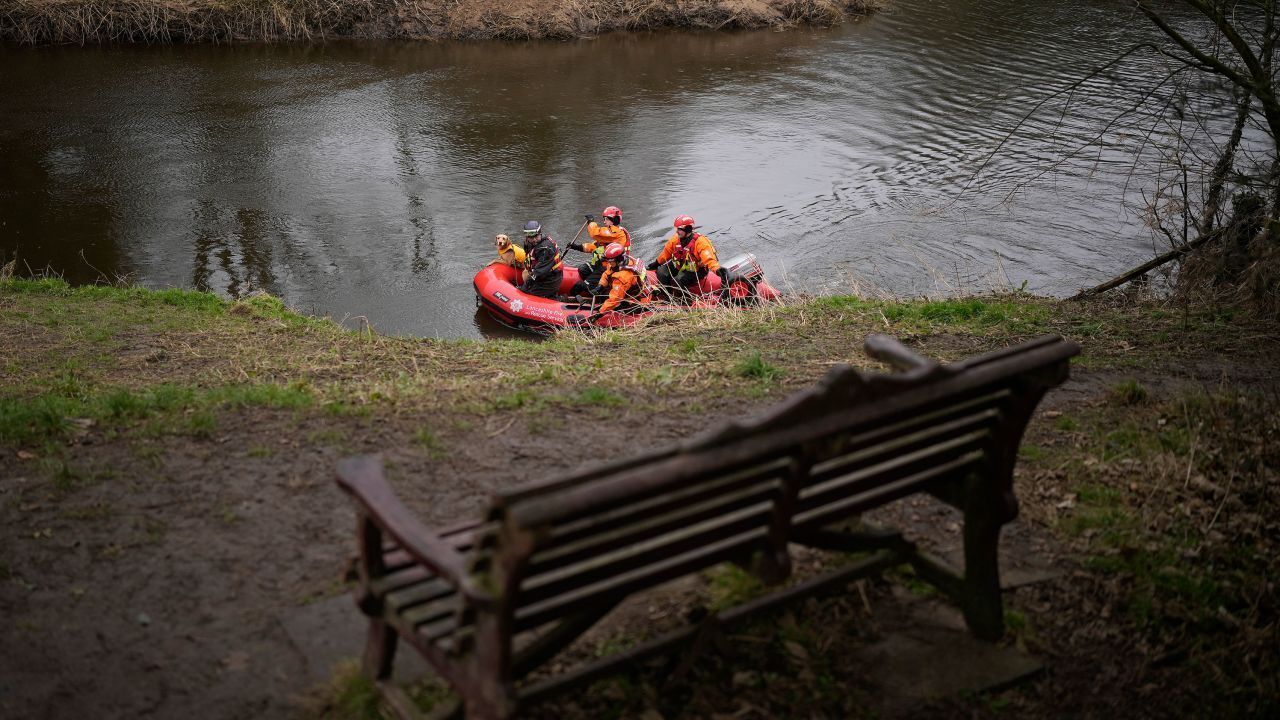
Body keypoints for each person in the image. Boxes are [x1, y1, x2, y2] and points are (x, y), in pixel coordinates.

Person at [648, 214, 727, 298]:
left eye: (680, 229)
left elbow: (709, 259)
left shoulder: (700, 242)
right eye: (677, 229)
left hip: (696, 270)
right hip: (680, 265)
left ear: (688, 229)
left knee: (678, 280)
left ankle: (686, 300)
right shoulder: (675, 239)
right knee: (661, 272)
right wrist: (657, 263)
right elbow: (666, 253)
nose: (677, 231)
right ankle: (668, 296)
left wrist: (717, 270)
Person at [568, 206, 631, 295]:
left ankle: (592, 290)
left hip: (611, 266)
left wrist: (591, 222)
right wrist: (576, 247)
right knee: (583, 269)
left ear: (614, 220)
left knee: (580, 285)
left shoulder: (617, 233)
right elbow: (595, 247)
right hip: (603, 263)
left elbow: (594, 233)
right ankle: (594, 286)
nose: (604, 221)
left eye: (606, 219)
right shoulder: (609, 237)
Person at [589, 242, 652, 321]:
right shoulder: (624, 261)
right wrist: (600, 286)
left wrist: (599, 314)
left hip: (638, 301)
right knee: (604, 291)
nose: (609, 263)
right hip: (633, 290)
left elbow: (615, 299)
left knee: (607, 296)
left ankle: (622, 307)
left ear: (618, 260)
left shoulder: (623, 276)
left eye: (610, 261)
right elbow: (607, 273)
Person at [518, 220, 564, 299]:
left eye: (536, 236)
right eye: (531, 237)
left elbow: (539, 271)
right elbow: (530, 257)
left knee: (529, 295)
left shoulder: (545, 249)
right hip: (544, 276)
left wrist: (525, 286)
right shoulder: (531, 243)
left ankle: (561, 299)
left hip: (551, 279)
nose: (534, 240)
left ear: (540, 234)